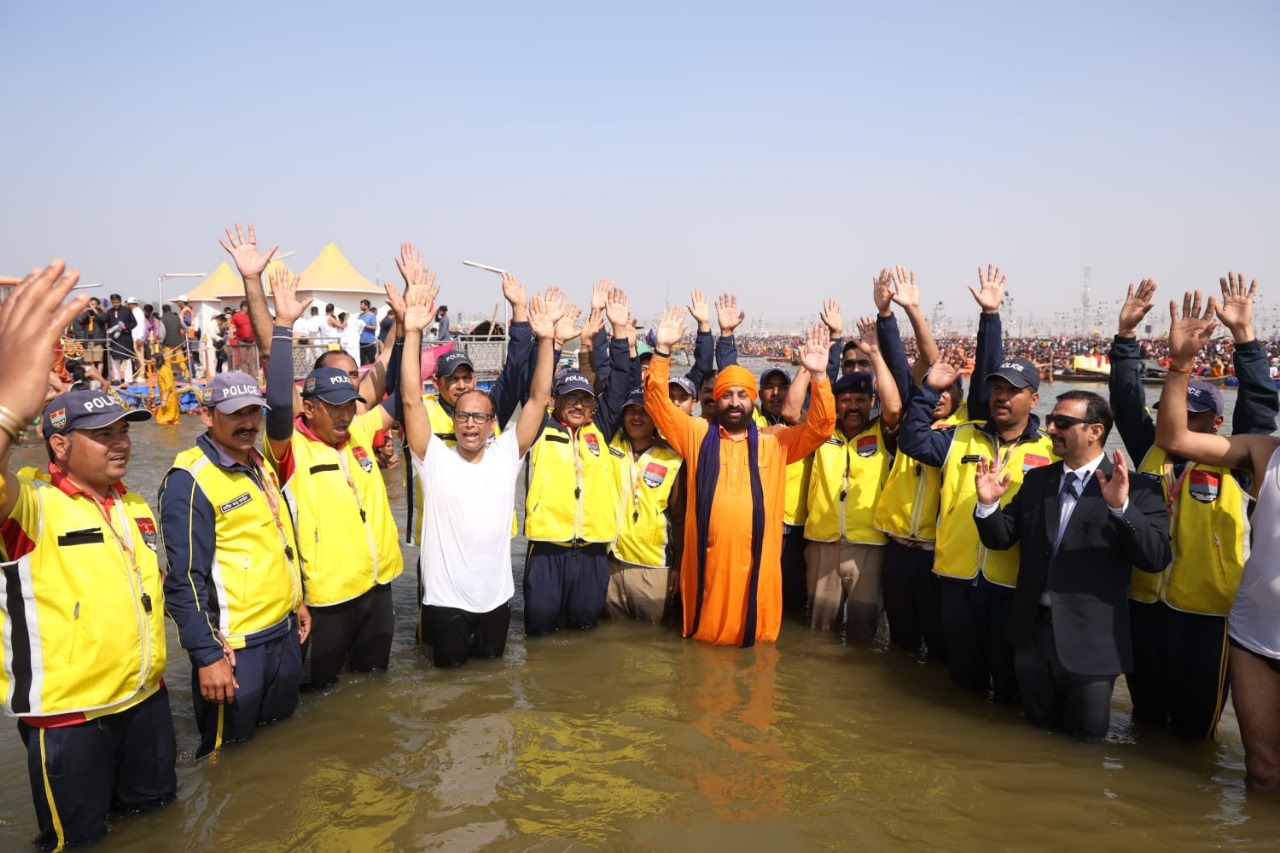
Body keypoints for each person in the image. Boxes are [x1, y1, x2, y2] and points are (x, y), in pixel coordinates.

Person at [0, 260, 176, 850]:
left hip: (146, 702)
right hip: (70, 720)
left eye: (124, 430)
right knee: (76, 842)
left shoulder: (132, 506)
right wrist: (7, 409)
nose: (122, 442)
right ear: (58, 444)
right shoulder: (32, 505)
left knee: (157, 825)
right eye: (104, 434)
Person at [1109, 276, 1277, 740]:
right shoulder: (1151, 447)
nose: (1180, 417)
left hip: (1207, 616)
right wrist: (1125, 338)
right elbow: (1124, 400)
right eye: (1171, 407)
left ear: (1217, 422)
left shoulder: (1240, 460)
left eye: (1193, 414)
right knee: (1143, 722)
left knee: (1193, 735)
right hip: (1144, 603)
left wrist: (1245, 340)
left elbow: (1261, 407)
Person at [896, 266, 1056, 701]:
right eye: (996, 389)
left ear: (1033, 398)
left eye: (1013, 389)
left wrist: (991, 315)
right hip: (954, 578)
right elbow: (911, 439)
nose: (1002, 396)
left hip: (1010, 587)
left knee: (1007, 687)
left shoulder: (1050, 450)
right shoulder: (960, 436)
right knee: (961, 682)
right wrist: (929, 389)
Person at [975, 390, 1171, 740]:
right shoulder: (1038, 481)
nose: (1050, 429)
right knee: (1035, 740)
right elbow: (1001, 539)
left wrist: (1120, 509)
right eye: (1051, 421)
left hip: (1093, 645)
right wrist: (988, 506)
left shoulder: (1137, 488)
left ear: (1095, 431)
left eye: (1062, 423)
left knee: (1086, 749)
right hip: (1032, 637)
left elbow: (1155, 558)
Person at [644, 305, 835, 646]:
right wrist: (661, 353)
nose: (735, 402)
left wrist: (819, 378)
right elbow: (657, 404)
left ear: (753, 402)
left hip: (757, 567)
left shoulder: (775, 441)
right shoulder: (697, 435)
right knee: (704, 648)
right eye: (727, 395)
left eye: (742, 395)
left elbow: (821, 428)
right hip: (708, 565)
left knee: (757, 652)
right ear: (716, 401)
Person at [1155, 282, 1280, 791]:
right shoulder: (1264, 452)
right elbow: (1174, 439)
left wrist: (1247, 338)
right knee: (1263, 773)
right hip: (1256, 638)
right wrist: (1180, 365)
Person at [254, 265, 403, 689]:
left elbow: (400, 390)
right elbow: (279, 401)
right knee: (318, 696)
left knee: (374, 688)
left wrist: (408, 328)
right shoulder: (287, 448)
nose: (344, 414)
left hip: (377, 588)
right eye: (333, 406)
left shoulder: (359, 428)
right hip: (326, 602)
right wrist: (283, 325)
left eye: (349, 404)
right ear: (309, 407)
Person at [402, 279, 557, 666]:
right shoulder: (433, 457)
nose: (471, 424)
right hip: (444, 602)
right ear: (452, 419)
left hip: (495, 600)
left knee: (493, 686)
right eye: (463, 415)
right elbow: (409, 398)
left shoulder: (506, 453)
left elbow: (538, 399)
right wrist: (412, 331)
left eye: (480, 417)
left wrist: (546, 341)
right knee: (447, 690)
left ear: (492, 423)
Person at [873, 266, 993, 658]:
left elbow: (950, 364)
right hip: (896, 549)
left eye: (949, 390)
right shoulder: (913, 416)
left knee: (939, 643)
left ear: (960, 396)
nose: (939, 396)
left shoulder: (968, 430)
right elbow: (899, 364)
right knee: (900, 641)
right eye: (935, 389)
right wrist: (888, 316)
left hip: (935, 553)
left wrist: (916, 310)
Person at [522, 301, 630, 636]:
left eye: (585, 399)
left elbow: (621, 384)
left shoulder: (600, 429)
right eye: (570, 398)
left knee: (585, 634)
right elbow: (535, 390)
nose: (579, 405)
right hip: (546, 550)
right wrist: (552, 343)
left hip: (592, 554)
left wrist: (620, 333)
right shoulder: (538, 429)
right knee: (540, 635)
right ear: (556, 400)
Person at [803, 316, 902, 638]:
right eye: (845, 400)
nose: (853, 406)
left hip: (869, 546)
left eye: (861, 400)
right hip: (822, 543)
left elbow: (895, 407)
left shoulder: (883, 433)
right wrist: (814, 371)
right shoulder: (820, 432)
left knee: (864, 630)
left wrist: (875, 354)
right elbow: (792, 413)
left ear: (871, 402)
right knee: (819, 629)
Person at [607, 386, 686, 623]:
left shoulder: (673, 458)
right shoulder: (610, 445)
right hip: (611, 563)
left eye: (644, 411)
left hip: (653, 566)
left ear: (656, 418)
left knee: (653, 643)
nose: (636, 416)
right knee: (613, 640)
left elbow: (680, 519)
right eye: (630, 411)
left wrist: (677, 566)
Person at [104, 292, 137, 385]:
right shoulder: (109, 312)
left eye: (117, 302)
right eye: (113, 302)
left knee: (127, 359)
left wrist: (126, 328)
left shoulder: (127, 310)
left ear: (120, 301)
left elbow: (134, 323)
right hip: (114, 339)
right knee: (115, 359)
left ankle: (128, 379)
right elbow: (104, 321)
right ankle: (117, 378)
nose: (115, 304)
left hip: (125, 338)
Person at [160, 303, 187, 380]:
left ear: (163, 310)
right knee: (180, 360)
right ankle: (186, 375)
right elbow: (185, 327)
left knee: (167, 361)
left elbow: (162, 332)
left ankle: (169, 377)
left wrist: (161, 342)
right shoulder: (177, 318)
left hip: (168, 344)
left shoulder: (163, 319)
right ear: (170, 309)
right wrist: (184, 338)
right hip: (178, 343)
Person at [153, 353, 181, 425]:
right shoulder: (162, 370)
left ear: (158, 361)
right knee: (171, 421)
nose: (152, 363)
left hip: (169, 398)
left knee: (162, 420)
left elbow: (169, 387)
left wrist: (164, 400)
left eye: (153, 361)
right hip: (169, 398)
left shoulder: (164, 371)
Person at [128, 296, 146, 375]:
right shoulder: (134, 312)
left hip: (137, 338)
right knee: (136, 358)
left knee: (139, 357)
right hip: (133, 337)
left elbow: (141, 325)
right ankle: (138, 373)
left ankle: (141, 374)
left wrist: (140, 338)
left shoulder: (138, 312)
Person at [358, 299, 378, 365]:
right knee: (362, 361)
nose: (360, 306)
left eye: (361, 305)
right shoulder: (360, 315)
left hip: (369, 342)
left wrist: (365, 325)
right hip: (361, 341)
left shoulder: (372, 315)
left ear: (366, 306)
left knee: (371, 360)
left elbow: (374, 327)